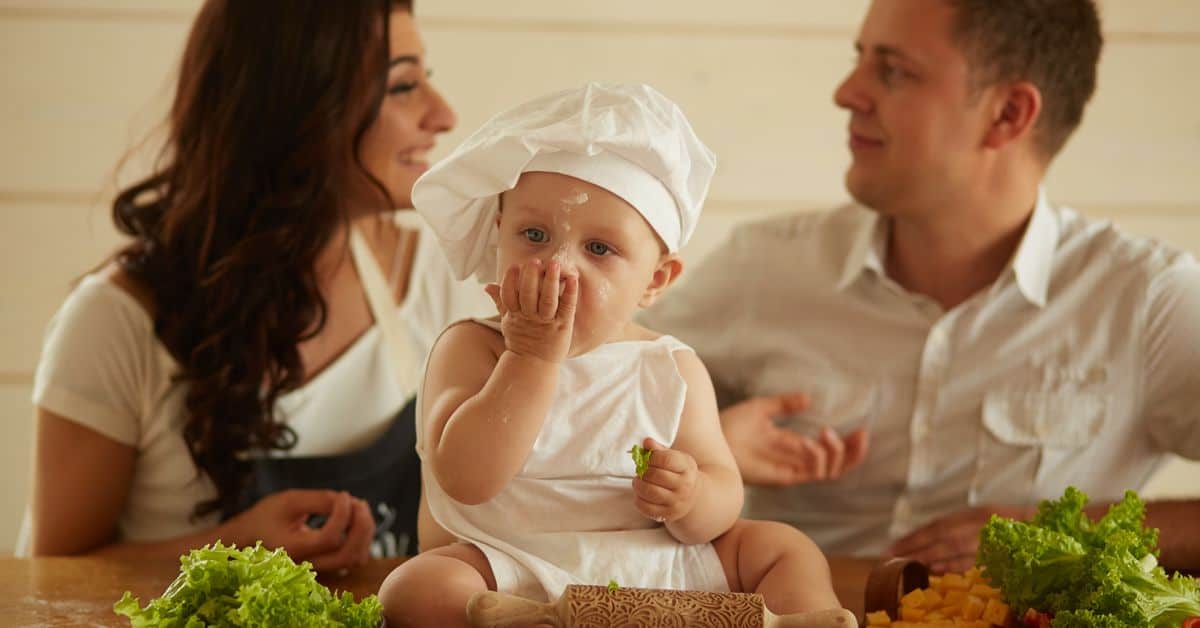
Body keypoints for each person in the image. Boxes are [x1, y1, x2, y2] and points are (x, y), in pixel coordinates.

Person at [642, 0, 1200, 574]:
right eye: (860, 60)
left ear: (1008, 113)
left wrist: (1066, 536)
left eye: (894, 71)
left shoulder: (1148, 300)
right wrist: (711, 450)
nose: (846, 92)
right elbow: (580, 421)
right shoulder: (762, 267)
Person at [23, 0, 492, 569]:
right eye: (402, 86)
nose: (442, 115)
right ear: (295, 108)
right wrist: (234, 552)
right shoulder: (116, 321)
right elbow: (47, 580)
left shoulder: (444, 283)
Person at [377, 83, 851, 627]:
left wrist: (691, 495)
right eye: (533, 234)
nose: (560, 266)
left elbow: (723, 494)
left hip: (658, 576)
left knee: (785, 549)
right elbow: (465, 479)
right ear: (497, 239)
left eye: (599, 249)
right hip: (512, 573)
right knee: (418, 588)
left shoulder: (669, 367)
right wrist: (530, 358)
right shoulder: (473, 348)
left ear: (655, 280)